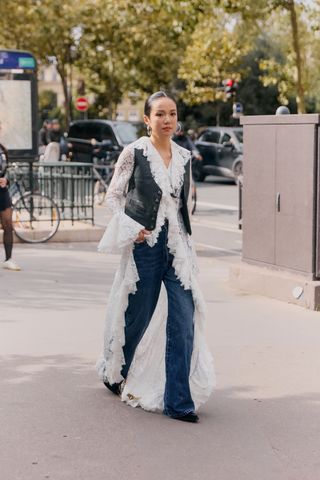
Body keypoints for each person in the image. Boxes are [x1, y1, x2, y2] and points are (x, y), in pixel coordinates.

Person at [96, 91, 214, 423]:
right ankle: (115, 371)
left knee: (183, 317)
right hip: (145, 245)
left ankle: (178, 401)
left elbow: (182, 207)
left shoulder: (185, 157)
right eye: (160, 114)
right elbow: (114, 196)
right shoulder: (133, 153)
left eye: (172, 114)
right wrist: (131, 227)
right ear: (147, 119)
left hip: (177, 247)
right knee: (137, 317)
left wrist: (188, 243)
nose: (167, 120)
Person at [0, 140, 20, 271]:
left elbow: (7, 170)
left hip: (2, 191)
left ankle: (8, 259)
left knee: (8, 223)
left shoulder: (2, 149)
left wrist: (6, 180)